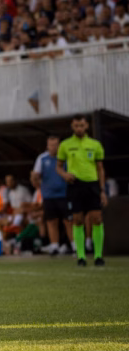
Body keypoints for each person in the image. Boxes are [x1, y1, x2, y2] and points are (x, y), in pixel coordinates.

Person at [57, 114, 107, 267]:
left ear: (86, 126)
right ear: (72, 127)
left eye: (82, 125)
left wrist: (102, 190)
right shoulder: (65, 144)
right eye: (76, 126)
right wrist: (64, 174)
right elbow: (58, 167)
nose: (79, 128)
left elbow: (100, 168)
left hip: (92, 185)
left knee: (97, 219)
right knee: (77, 220)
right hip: (75, 185)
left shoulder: (95, 144)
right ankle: (81, 257)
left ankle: (98, 256)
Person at [32, 135, 72, 255]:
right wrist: (35, 178)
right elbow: (36, 175)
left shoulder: (65, 157)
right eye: (51, 145)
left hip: (64, 195)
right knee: (51, 221)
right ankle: (54, 246)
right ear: (47, 146)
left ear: (59, 146)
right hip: (49, 196)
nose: (53, 147)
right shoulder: (42, 158)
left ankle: (74, 245)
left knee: (69, 221)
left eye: (55, 145)